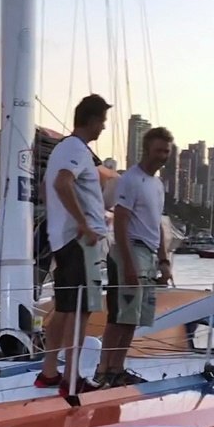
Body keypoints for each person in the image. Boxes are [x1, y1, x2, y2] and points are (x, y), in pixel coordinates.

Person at [37, 94, 112, 395]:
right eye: (102, 122)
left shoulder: (60, 150)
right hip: (80, 242)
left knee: (66, 308)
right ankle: (71, 378)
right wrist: (83, 224)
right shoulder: (77, 150)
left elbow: (46, 188)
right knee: (81, 310)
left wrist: (60, 220)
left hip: (62, 239)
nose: (103, 129)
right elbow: (61, 183)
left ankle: (49, 371)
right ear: (93, 120)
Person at [95, 127, 175, 387]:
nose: (163, 156)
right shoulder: (131, 179)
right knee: (119, 316)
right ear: (147, 150)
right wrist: (128, 263)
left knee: (135, 317)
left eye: (167, 151)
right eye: (159, 150)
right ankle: (103, 370)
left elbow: (157, 225)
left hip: (149, 254)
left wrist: (164, 261)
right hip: (130, 250)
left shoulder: (157, 185)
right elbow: (120, 221)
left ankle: (118, 369)